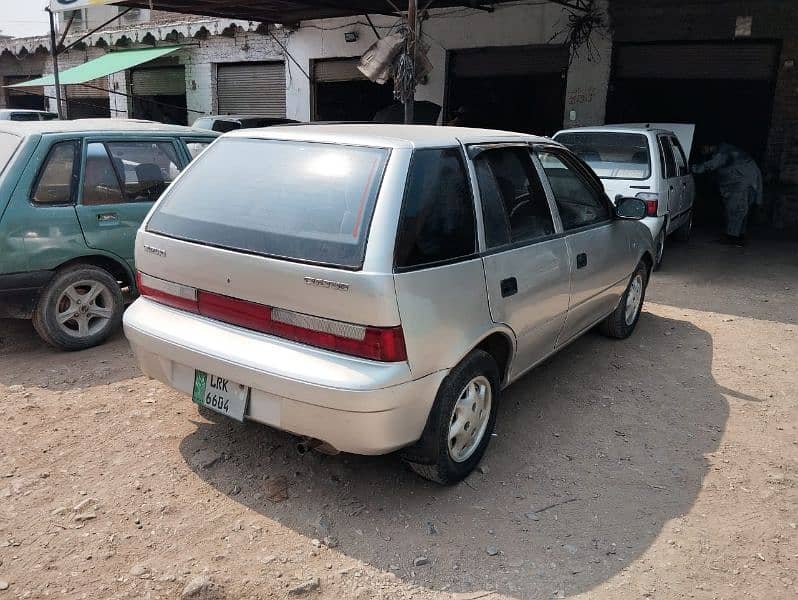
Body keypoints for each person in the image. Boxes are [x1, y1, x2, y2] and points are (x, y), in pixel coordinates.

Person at [692, 143, 763, 246]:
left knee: (735, 210)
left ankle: (732, 237)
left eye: (702, 149)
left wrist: (693, 168)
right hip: (747, 183)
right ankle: (738, 236)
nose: (702, 152)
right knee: (741, 211)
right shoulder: (728, 149)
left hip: (741, 184)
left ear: (708, 146)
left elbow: (712, 164)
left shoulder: (723, 152)